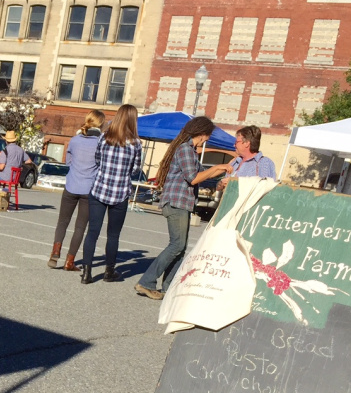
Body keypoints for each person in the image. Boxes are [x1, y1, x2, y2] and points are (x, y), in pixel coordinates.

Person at [135, 116, 234, 300]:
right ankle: (147, 282)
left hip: (182, 203)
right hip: (176, 201)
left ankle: (167, 287)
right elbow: (193, 178)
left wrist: (219, 175)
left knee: (180, 247)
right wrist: (218, 167)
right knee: (177, 245)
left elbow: (202, 176)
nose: (207, 139)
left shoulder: (190, 151)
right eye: (207, 136)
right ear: (202, 133)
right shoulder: (185, 150)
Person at [80, 105, 143, 284]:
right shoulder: (136, 143)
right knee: (113, 235)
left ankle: (87, 272)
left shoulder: (104, 137)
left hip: (100, 188)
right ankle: (109, 272)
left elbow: (97, 159)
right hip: (120, 191)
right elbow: (136, 169)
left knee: (93, 232)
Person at [48, 110, 105, 271]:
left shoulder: (75, 140)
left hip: (71, 185)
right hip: (88, 189)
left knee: (62, 222)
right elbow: (101, 165)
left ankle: (55, 252)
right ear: (100, 124)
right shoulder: (101, 142)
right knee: (80, 227)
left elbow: (68, 162)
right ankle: (69, 261)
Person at [217, 125, 276, 190]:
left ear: (247, 143)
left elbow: (264, 187)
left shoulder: (264, 163)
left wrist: (235, 183)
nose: (234, 145)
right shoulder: (235, 162)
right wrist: (221, 184)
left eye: (236, 142)